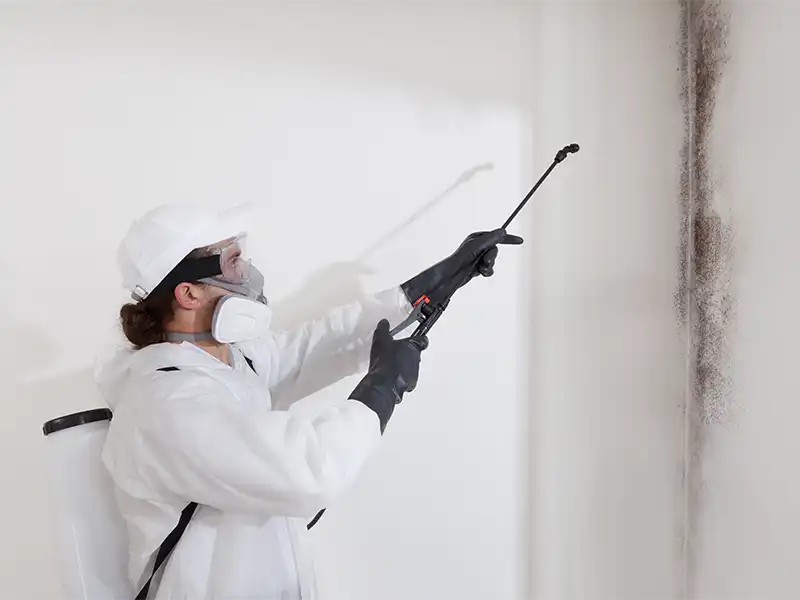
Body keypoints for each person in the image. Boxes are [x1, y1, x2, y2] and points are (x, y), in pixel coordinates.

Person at [96, 202, 522, 600]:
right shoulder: (165, 404)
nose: (249, 274)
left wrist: (429, 287)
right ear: (188, 294)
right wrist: (381, 387)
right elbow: (306, 471)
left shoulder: (227, 362)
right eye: (231, 262)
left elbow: (310, 348)